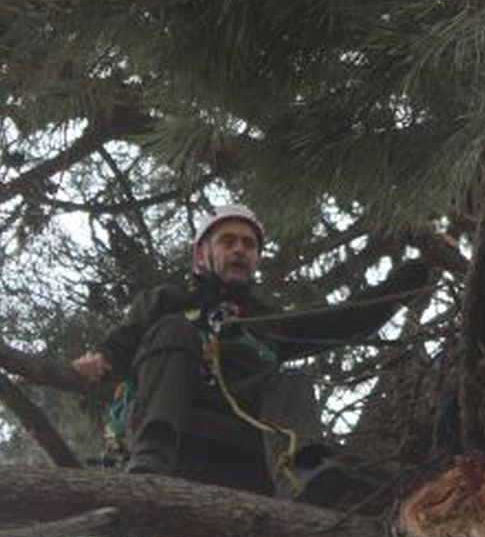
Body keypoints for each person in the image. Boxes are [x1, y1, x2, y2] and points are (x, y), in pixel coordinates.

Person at [72, 204, 428, 495]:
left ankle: (302, 476)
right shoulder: (168, 300)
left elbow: (343, 321)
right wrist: (103, 358)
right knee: (174, 328)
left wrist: (417, 273)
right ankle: (152, 453)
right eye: (227, 242)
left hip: (242, 438)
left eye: (249, 244)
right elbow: (127, 337)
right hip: (179, 415)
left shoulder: (267, 321)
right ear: (201, 255)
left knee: (290, 381)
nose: (240, 249)